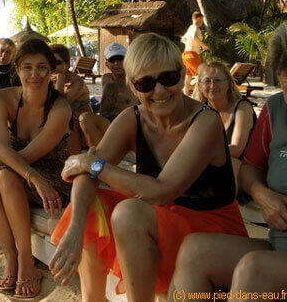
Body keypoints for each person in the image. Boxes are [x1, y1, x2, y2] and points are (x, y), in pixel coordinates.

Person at [49, 33, 246, 302]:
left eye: (169, 78)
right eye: (146, 83)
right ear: (133, 87)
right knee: (89, 202)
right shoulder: (133, 118)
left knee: (129, 212)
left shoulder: (205, 121)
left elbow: (161, 191)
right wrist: (76, 226)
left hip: (211, 235)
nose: (160, 91)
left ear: (182, 75)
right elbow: (86, 174)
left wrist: (94, 163)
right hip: (162, 223)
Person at [170, 24, 287, 297]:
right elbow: (250, 170)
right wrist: (261, 194)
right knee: (194, 251)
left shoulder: (242, 109)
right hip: (280, 244)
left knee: (253, 270)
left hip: (269, 259)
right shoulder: (276, 108)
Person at [0, 39, 74, 298]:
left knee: (3, 172)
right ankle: (10, 257)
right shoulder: (3, 98)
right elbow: (1, 150)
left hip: (54, 182)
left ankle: (25, 262)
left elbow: (25, 155)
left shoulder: (60, 108)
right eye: (27, 68)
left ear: (52, 71)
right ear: (17, 70)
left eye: (42, 68)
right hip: (26, 176)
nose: (35, 75)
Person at [192, 61, 257, 188]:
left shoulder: (242, 108)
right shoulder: (201, 111)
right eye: (207, 81)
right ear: (199, 86)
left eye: (217, 80)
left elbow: (237, 149)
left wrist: (201, 152)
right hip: (214, 166)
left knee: (231, 163)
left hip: (244, 170)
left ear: (228, 84)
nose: (212, 85)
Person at [78, 42, 138, 147]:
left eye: (120, 59)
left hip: (125, 123)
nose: (116, 63)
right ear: (107, 64)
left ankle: (101, 154)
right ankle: (98, 153)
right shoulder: (106, 79)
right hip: (105, 121)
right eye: (112, 60)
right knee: (83, 118)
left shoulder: (134, 80)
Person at [49, 43, 92, 115]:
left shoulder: (77, 82)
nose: (52, 66)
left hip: (81, 123)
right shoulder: (48, 80)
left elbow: (59, 106)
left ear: (67, 64)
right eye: (50, 62)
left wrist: (60, 80)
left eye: (57, 63)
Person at [181, 11, 208, 95]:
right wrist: (203, 46)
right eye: (201, 20)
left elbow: (183, 39)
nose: (201, 22)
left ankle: (186, 94)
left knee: (188, 76)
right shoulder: (195, 27)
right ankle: (198, 93)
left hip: (185, 54)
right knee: (202, 72)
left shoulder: (190, 28)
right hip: (192, 55)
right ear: (198, 19)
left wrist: (190, 45)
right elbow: (194, 37)